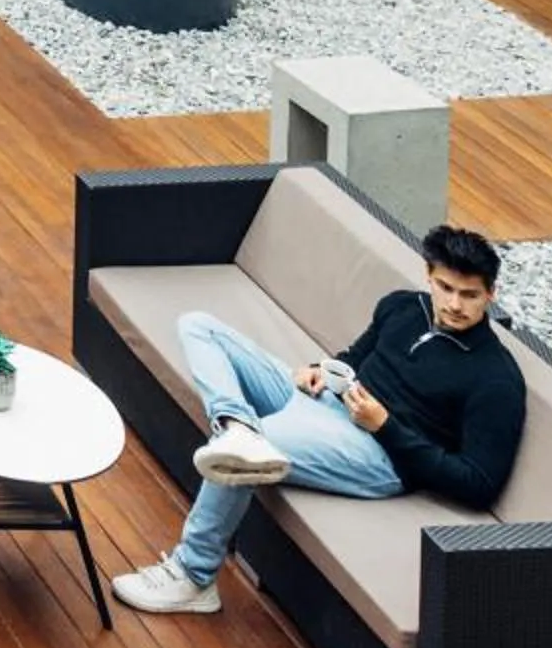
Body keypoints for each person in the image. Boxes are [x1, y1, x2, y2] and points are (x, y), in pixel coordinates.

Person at [112, 224, 524, 618]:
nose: (454, 304)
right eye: (446, 288)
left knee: (254, 447)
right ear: (429, 277)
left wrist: (385, 426)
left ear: (491, 294)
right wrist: (320, 369)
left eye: (469, 295)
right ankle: (237, 426)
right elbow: (357, 357)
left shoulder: (494, 378)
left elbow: (478, 485)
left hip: (378, 453)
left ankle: (192, 576)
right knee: (200, 327)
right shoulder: (402, 306)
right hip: (327, 401)